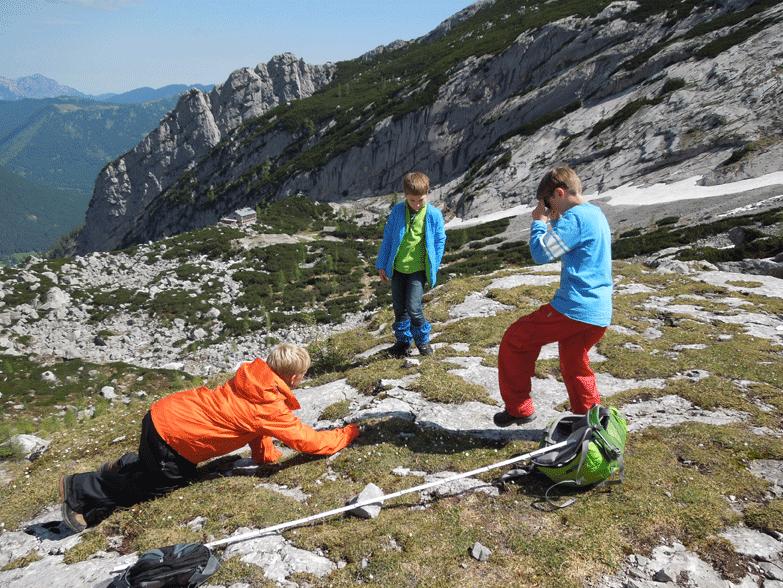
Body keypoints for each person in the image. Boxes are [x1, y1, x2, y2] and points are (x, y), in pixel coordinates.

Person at [59, 343, 360, 531]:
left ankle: (121, 469)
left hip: (165, 414)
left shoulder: (253, 380)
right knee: (162, 487)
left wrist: (266, 458)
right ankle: (81, 489)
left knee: (160, 469)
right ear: (294, 378)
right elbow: (306, 441)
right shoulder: (269, 406)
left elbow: (255, 428)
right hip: (173, 437)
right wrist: (348, 433)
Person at [494, 166, 612, 426]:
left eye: (548, 202)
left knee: (516, 338)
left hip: (574, 307)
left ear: (559, 193)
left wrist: (539, 223)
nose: (548, 208)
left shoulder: (576, 218)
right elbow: (570, 241)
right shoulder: (594, 213)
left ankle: (519, 408)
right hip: (599, 311)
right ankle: (589, 421)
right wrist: (555, 217)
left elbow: (542, 253)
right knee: (574, 362)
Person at [376, 171, 447, 357]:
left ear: (427, 194)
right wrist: (382, 264)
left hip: (418, 270)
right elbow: (389, 238)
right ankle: (403, 343)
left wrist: (434, 265)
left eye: (420, 200)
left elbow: (440, 240)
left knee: (414, 308)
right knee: (399, 308)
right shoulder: (398, 211)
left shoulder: (433, 214)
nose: (416, 204)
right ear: (405, 195)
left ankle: (423, 342)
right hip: (398, 269)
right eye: (412, 200)